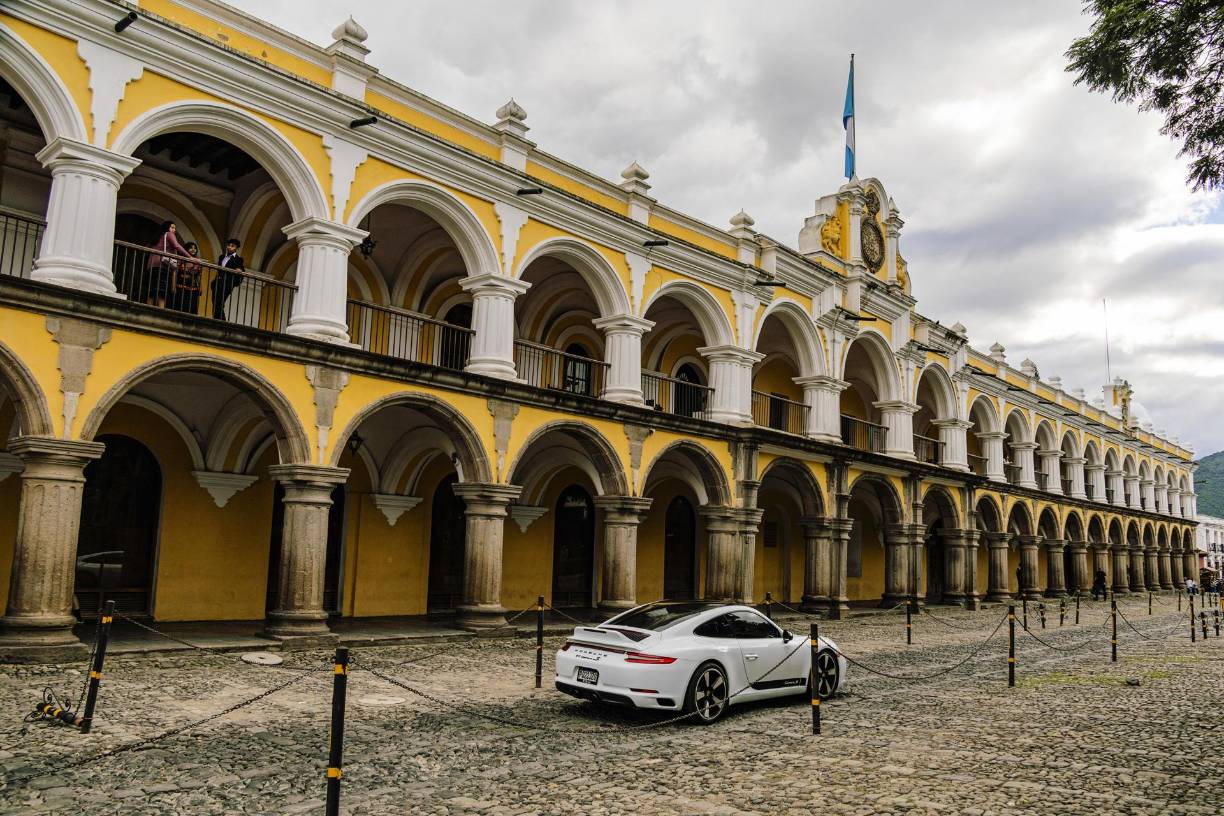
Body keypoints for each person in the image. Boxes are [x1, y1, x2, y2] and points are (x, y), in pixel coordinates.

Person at [147, 221, 189, 308]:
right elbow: (176, 245)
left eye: (175, 228)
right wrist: (190, 257)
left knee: (151, 290)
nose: (174, 230)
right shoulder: (169, 234)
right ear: (167, 228)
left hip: (151, 266)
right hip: (162, 265)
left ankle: (148, 308)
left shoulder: (157, 237)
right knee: (161, 291)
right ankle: (161, 310)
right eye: (172, 227)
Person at [210, 238, 245, 320]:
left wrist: (240, 270)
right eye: (229, 245)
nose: (229, 247)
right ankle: (219, 320)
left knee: (219, 303)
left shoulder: (238, 259)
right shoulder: (222, 257)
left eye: (232, 246)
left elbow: (241, 269)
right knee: (215, 302)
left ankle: (220, 321)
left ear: (236, 248)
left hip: (227, 284)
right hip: (217, 283)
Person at [172, 241, 203, 315]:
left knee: (191, 307)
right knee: (180, 305)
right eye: (191, 248)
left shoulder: (197, 261)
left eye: (195, 248)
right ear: (186, 249)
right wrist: (173, 286)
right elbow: (175, 272)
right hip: (181, 285)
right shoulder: (182, 258)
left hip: (193, 287)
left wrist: (201, 287)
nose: (193, 249)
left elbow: (198, 275)